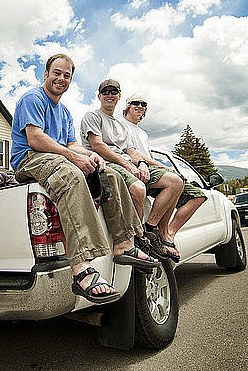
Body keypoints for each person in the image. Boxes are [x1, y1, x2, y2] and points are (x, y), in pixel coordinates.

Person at [10, 54, 159, 304]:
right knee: (72, 174)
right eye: (56, 73)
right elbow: (36, 139)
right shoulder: (33, 98)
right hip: (29, 157)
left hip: (56, 155)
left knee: (109, 174)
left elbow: (71, 144)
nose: (61, 78)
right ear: (46, 74)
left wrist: (92, 156)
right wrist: (72, 156)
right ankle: (81, 270)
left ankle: (124, 243)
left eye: (66, 75)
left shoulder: (66, 112)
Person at [80, 79, 184, 261]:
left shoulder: (121, 125)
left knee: (175, 182)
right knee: (138, 189)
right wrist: (127, 164)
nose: (110, 95)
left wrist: (142, 164)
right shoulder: (93, 116)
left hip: (129, 164)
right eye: (106, 92)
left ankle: (150, 229)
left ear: (119, 96)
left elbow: (132, 151)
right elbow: (97, 145)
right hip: (107, 163)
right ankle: (137, 238)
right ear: (99, 96)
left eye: (114, 92)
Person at [122, 93, 207, 258]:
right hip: (138, 169)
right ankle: (151, 227)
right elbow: (133, 153)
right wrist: (162, 166)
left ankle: (168, 233)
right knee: (175, 182)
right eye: (135, 103)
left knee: (198, 196)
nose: (140, 106)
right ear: (127, 106)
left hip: (153, 169)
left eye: (143, 104)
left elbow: (149, 155)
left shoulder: (143, 133)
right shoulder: (122, 126)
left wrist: (162, 167)